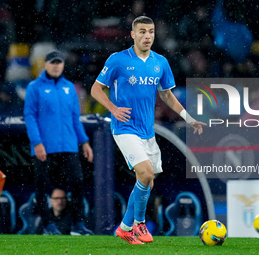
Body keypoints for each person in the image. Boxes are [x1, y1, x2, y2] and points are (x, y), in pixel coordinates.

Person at [90, 16, 206, 245]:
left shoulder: (160, 62)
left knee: (147, 182)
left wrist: (189, 118)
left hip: (147, 131)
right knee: (145, 174)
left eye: (151, 32)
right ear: (133, 34)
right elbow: (95, 89)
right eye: (142, 31)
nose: (147, 36)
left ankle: (124, 227)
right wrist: (112, 108)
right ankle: (139, 224)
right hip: (124, 128)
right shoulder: (118, 60)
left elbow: (167, 95)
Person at [24, 50, 94, 235]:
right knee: (42, 183)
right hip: (44, 145)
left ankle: (78, 224)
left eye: (59, 62)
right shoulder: (34, 87)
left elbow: (75, 117)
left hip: (68, 144)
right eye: (52, 62)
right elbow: (29, 116)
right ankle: (47, 224)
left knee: (78, 181)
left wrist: (84, 142)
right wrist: (37, 143)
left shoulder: (69, 87)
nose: (56, 65)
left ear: (63, 65)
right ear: (46, 65)